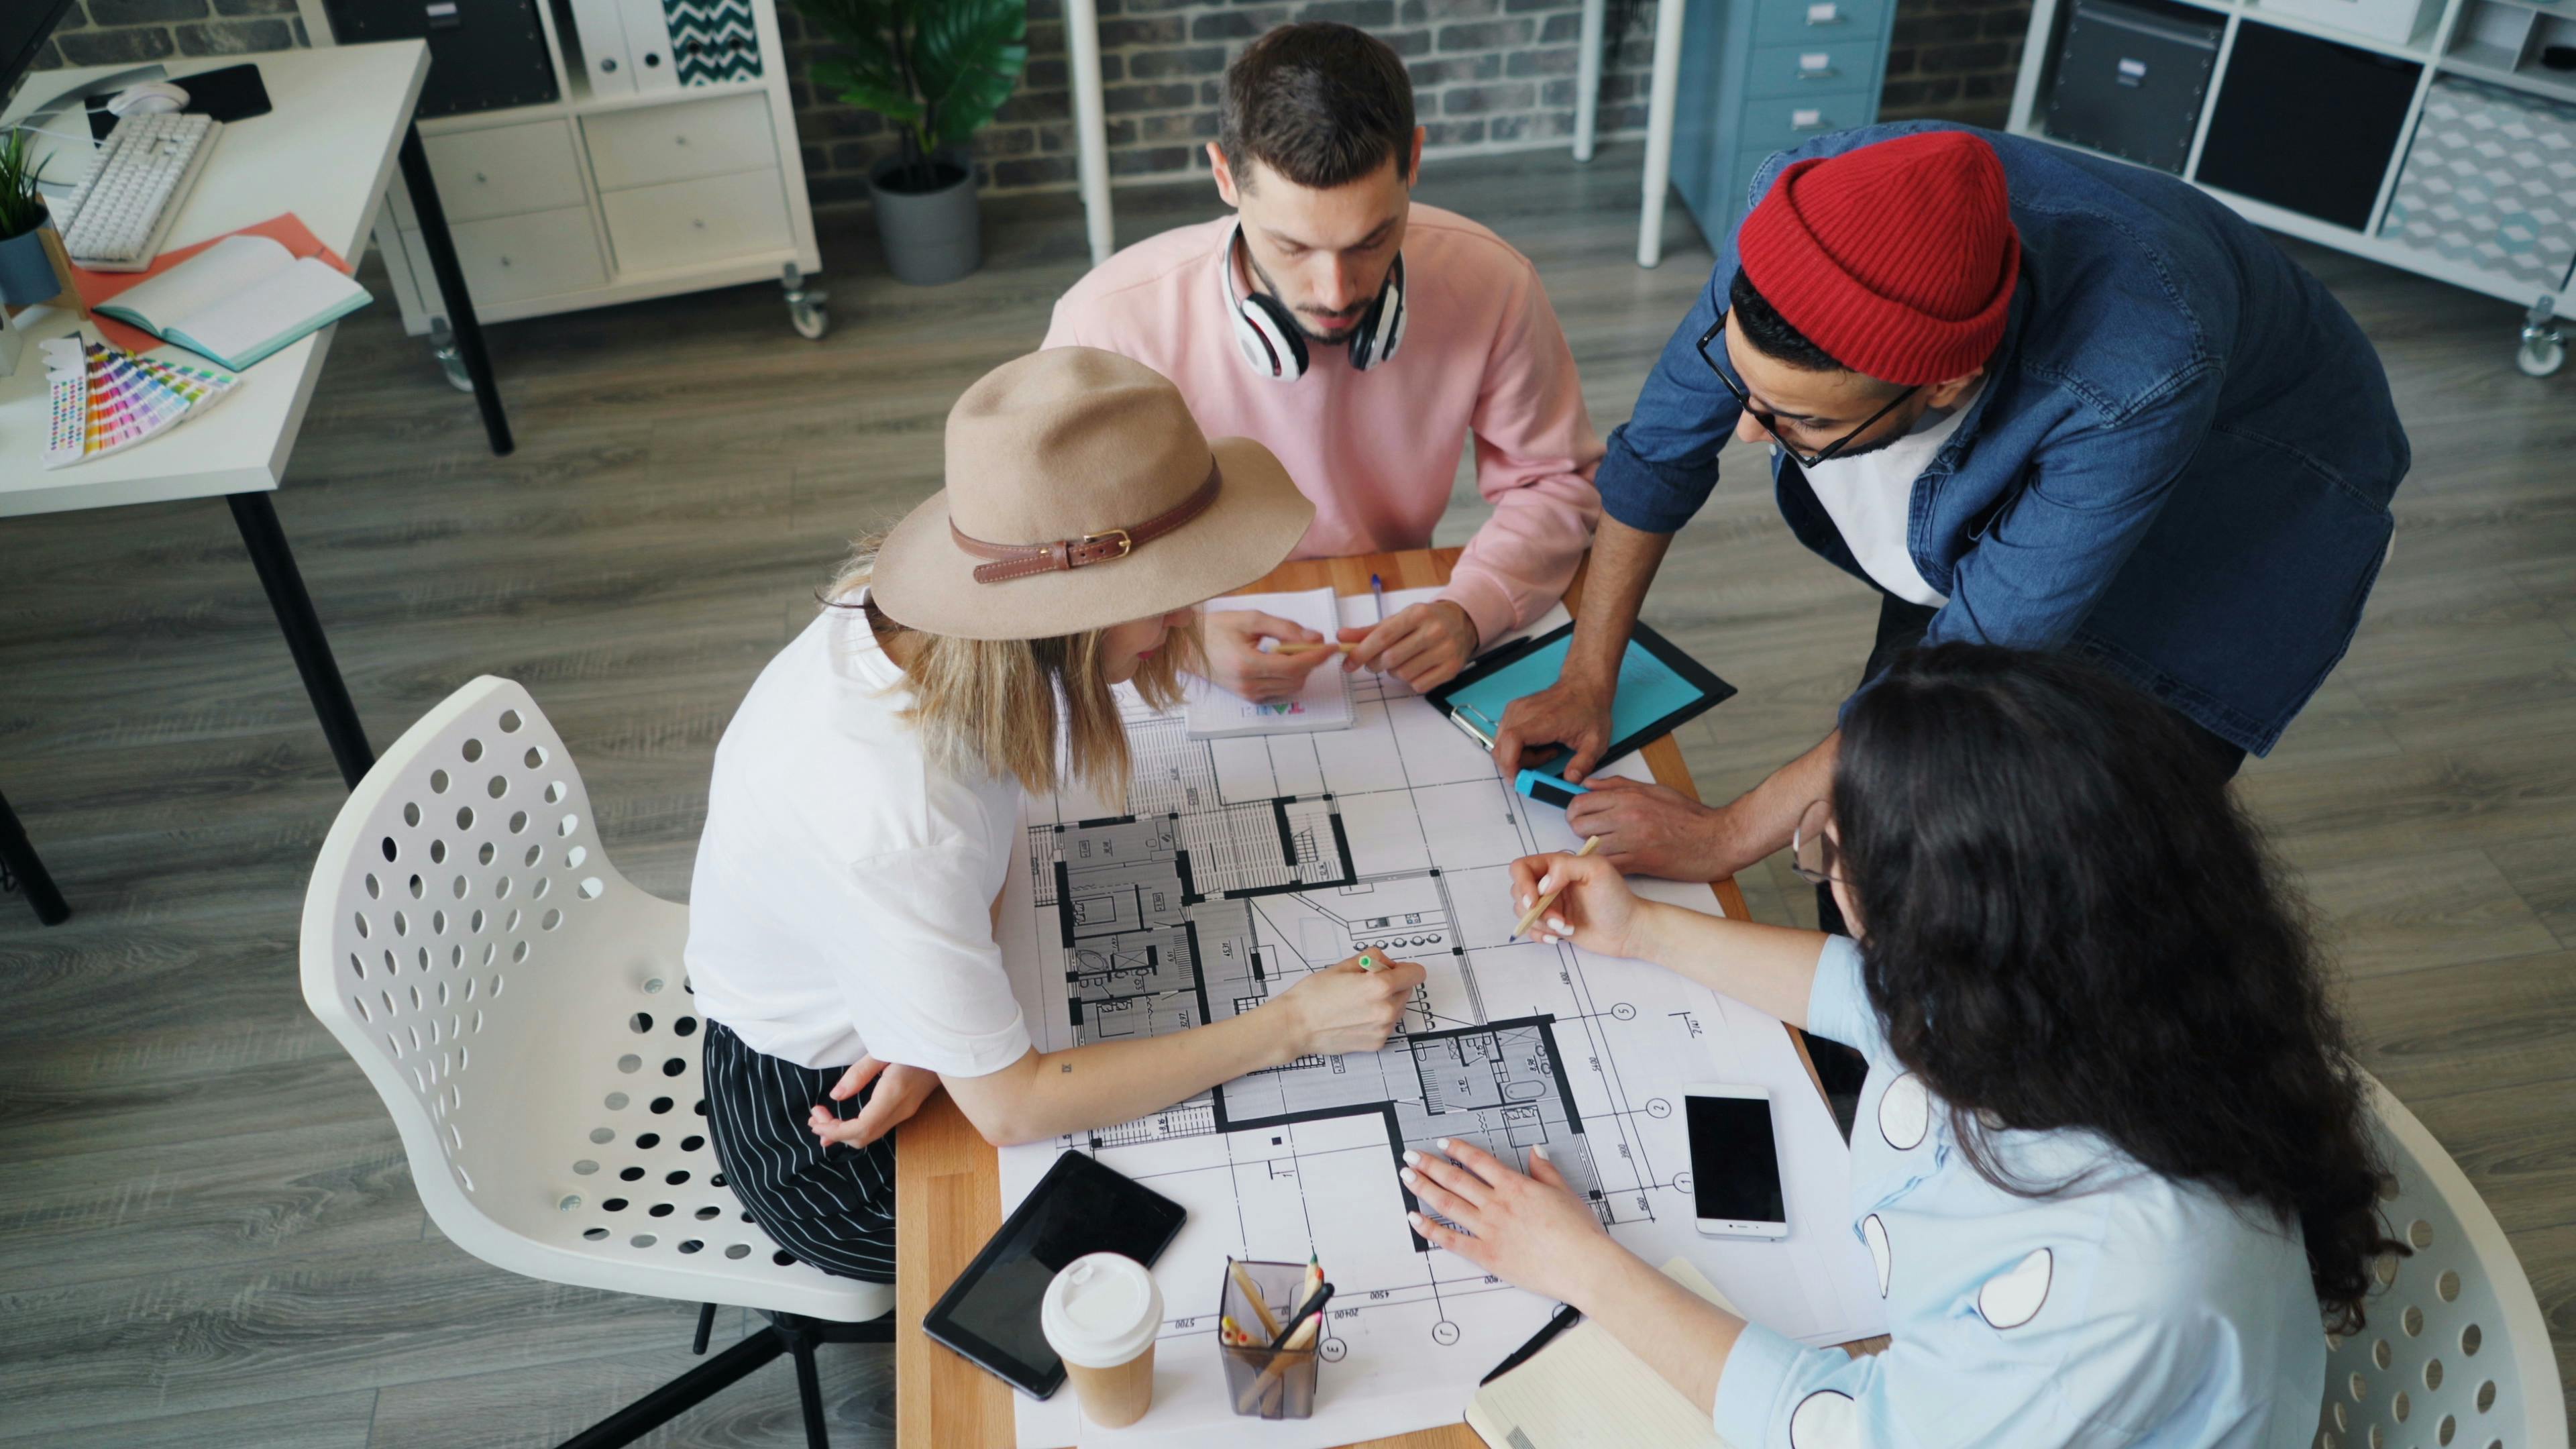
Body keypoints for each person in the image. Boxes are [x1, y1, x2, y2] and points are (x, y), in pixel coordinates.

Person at [1407, 644, 2399, 1448]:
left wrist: (1578, 1264)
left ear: (1960, 935)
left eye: (1829, 853)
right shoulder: (2116, 982)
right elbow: (1866, 997)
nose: (1823, 868)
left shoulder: (2127, 1272)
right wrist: (1644, 932)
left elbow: (1856, 1435)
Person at [1493, 125, 2408, 897]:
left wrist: (1725, 836)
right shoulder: (1808, 218)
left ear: (1946, 385)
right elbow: (1659, 452)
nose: (1747, 431)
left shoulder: (2135, 372)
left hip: (2255, 478)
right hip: (2108, 391)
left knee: (2057, 847)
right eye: (1751, 388)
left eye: (1800, 420)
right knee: (1878, 818)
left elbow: (1961, 662)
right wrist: (1587, 675)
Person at [682, 348, 1429, 1279]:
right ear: (1070, 620)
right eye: (1167, 599)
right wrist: (1295, 1026)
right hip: (826, 1129)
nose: (1186, 614)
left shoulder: (913, 623)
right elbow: (1012, 1107)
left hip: (897, 1021)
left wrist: (930, 1024)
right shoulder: (899, 812)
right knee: (1190, 1241)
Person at [1042, 21, 1601, 701]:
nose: (1336, 294)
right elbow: (1057, 546)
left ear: (1414, 162)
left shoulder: (1494, 282)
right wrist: (1178, 636)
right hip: (1173, 627)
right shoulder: (1106, 320)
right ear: (1225, 176)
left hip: (1383, 602)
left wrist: (1472, 608)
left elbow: (1557, 484)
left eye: (1372, 241)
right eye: (1293, 246)